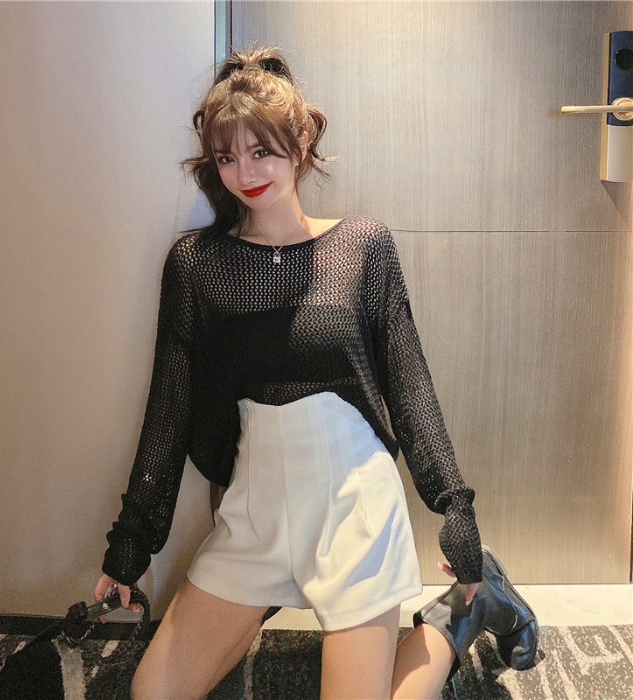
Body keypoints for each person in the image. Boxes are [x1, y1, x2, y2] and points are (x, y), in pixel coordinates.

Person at [95, 48, 538, 700]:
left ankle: (460, 615)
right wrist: (130, 549)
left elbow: (410, 386)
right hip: (255, 511)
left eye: (262, 151)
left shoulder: (362, 247)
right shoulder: (196, 265)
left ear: (302, 142)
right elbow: (169, 407)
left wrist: (455, 508)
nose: (245, 172)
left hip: (355, 504)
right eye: (227, 156)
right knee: (151, 694)